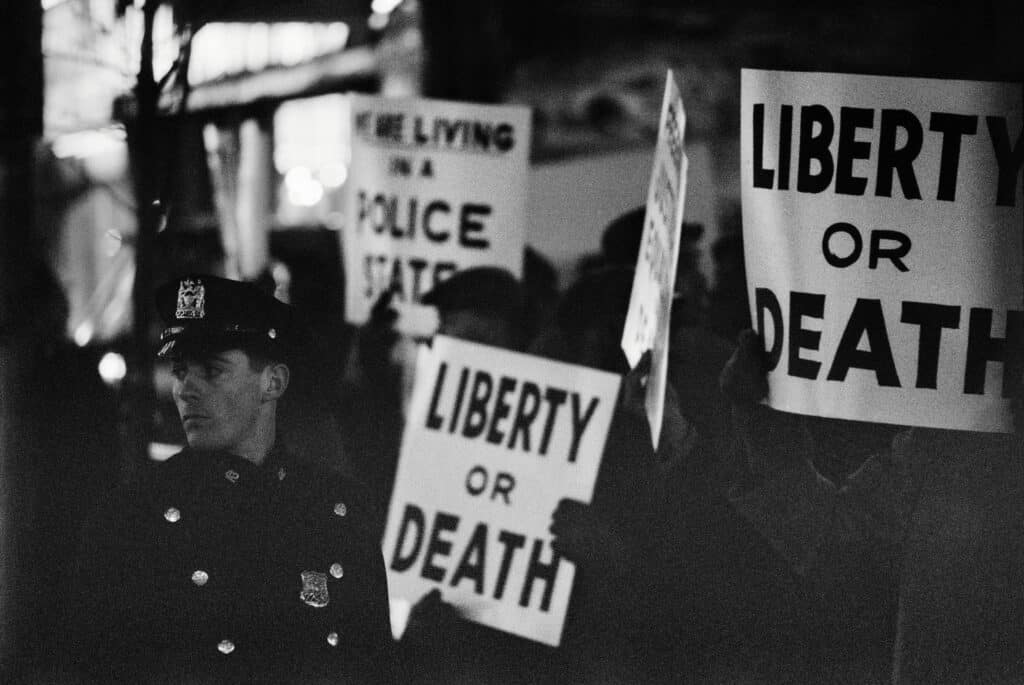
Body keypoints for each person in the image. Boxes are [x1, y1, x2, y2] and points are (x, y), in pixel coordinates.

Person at [68, 275, 393, 684]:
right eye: (181, 371)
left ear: (272, 382)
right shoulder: (131, 519)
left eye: (213, 370)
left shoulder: (337, 511)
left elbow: (373, 665)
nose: (186, 389)